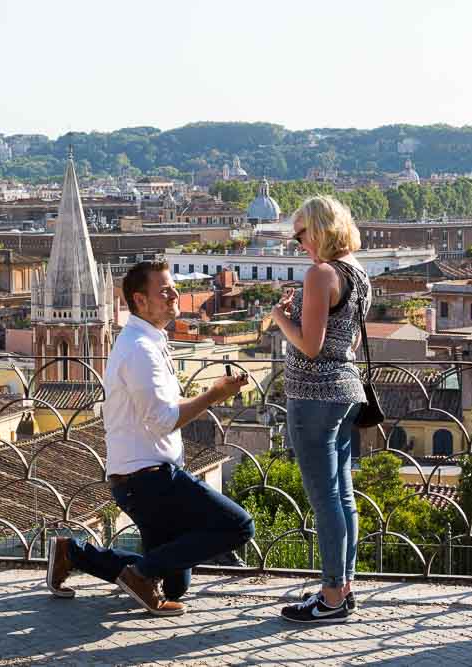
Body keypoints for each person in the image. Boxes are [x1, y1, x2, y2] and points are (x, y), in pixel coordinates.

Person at [45, 260, 255, 616]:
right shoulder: (140, 350)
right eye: (165, 290)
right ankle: (139, 574)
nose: (175, 294)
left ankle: (73, 553)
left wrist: (211, 392)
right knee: (238, 525)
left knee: (176, 584)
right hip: (150, 480)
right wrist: (214, 396)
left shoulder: (148, 341)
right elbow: (163, 420)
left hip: (141, 477)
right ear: (140, 301)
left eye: (173, 287)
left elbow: (165, 409)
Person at [270, 195, 370, 623]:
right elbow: (351, 341)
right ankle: (342, 588)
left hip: (313, 396)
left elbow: (310, 347)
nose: (298, 244)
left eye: (300, 235)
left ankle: (330, 597)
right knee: (343, 495)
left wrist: (280, 318)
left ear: (320, 229)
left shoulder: (320, 274)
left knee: (325, 498)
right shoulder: (359, 273)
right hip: (347, 393)